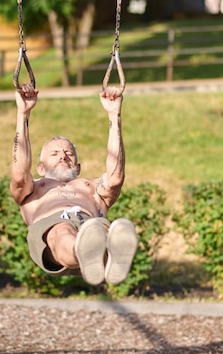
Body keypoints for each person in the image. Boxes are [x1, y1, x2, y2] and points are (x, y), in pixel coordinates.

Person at [10, 83, 138, 286]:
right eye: (55, 153)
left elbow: (115, 178)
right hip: (52, 229)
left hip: (90, 222)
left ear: (78, 168)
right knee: (62, 231)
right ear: (40, 168)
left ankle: (106, 258)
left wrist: (114, 115)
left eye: (69, 153)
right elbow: (18, 174)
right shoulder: (33, 188)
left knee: (100, 229)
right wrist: (23, 113)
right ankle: (87, 251)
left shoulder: (90, 187)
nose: (63, 156)